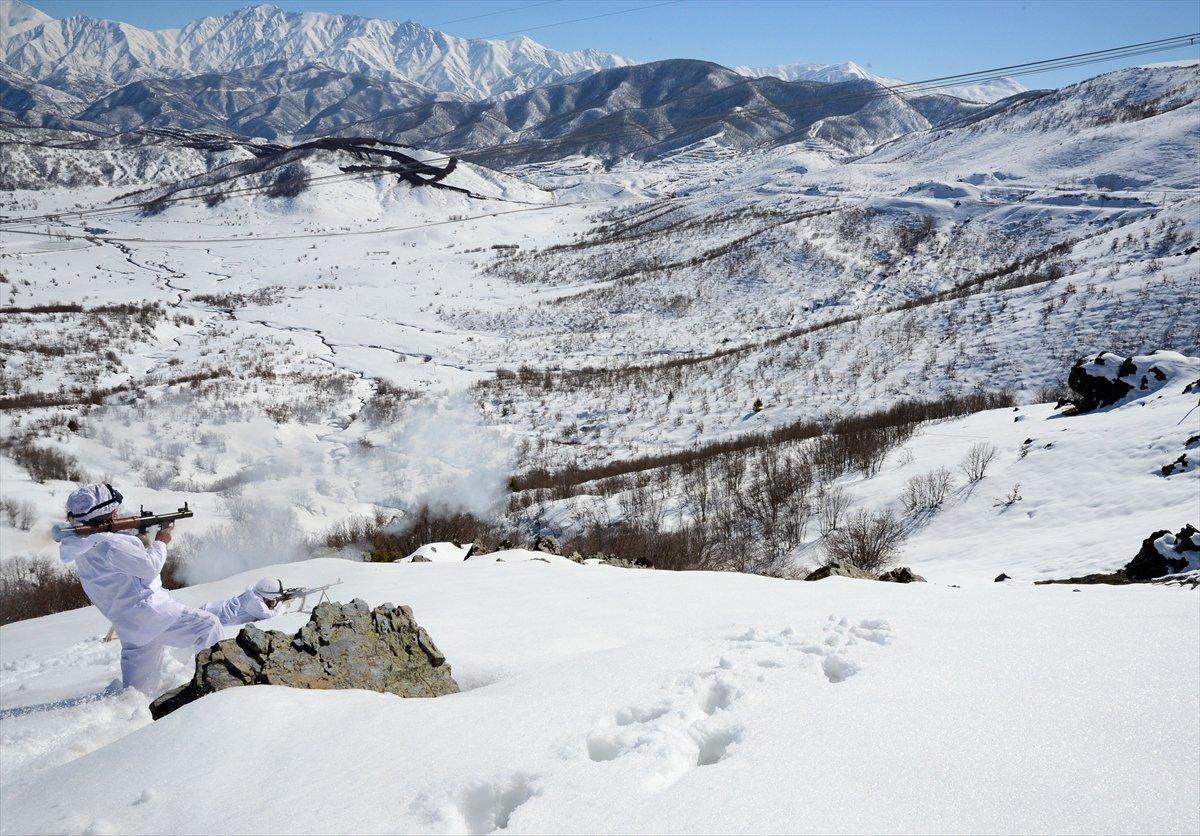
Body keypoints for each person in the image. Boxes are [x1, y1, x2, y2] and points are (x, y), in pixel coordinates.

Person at [59, 483, 281, 696]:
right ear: (106, 514)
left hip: (130, 625)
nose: (118, 515)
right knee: (208, 625)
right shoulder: (110, 545)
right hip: (152, 613)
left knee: (137, 695)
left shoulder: (83, 547)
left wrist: (139, 541)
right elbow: (148, 567)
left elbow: (120, 568)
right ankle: (221, 688)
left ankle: (129, 717)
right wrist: (161, 541)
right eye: (114, 512)